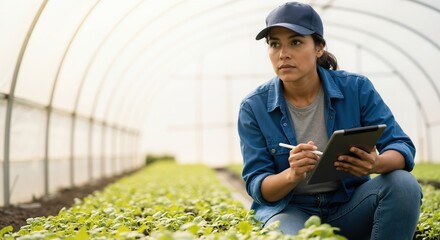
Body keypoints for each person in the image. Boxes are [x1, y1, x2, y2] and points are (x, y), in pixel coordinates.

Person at [237, 2, 422, 239]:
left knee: (403, 184)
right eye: (275, 44)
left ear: (319, 48)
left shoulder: (356, 89)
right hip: (291, 210)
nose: (283, 54)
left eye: (295, 42)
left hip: (350, 205)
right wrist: (292, 175)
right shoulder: (254, 106)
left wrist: (374, 164)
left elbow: (401, 146)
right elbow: (258, 186)